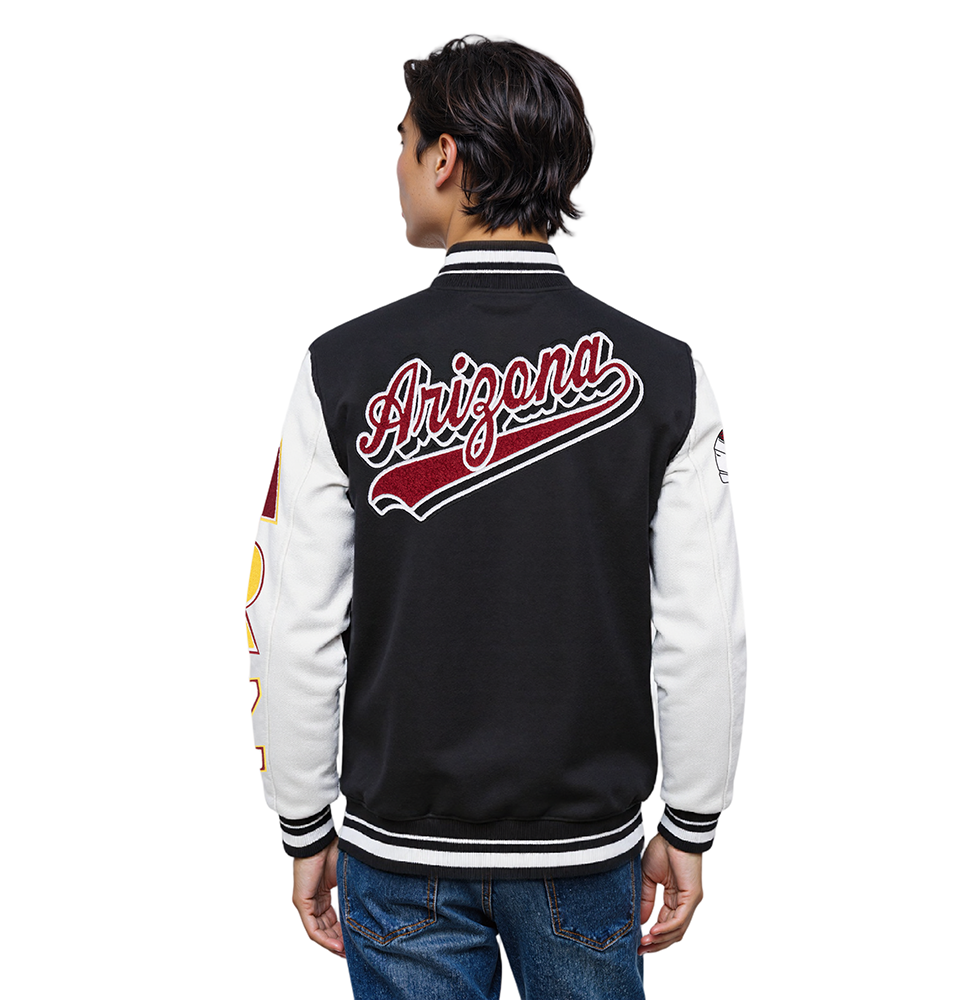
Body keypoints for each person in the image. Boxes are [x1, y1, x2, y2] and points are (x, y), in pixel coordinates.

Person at [246, 34, 746, 1000]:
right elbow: (703, 630)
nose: (397, 167)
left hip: (401, 850)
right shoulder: (667, 374)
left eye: (402, 142)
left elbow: (293, 620)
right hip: (583, 849)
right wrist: (691, 823)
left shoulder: (339, 368)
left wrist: (302, 823)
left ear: (445, 157)